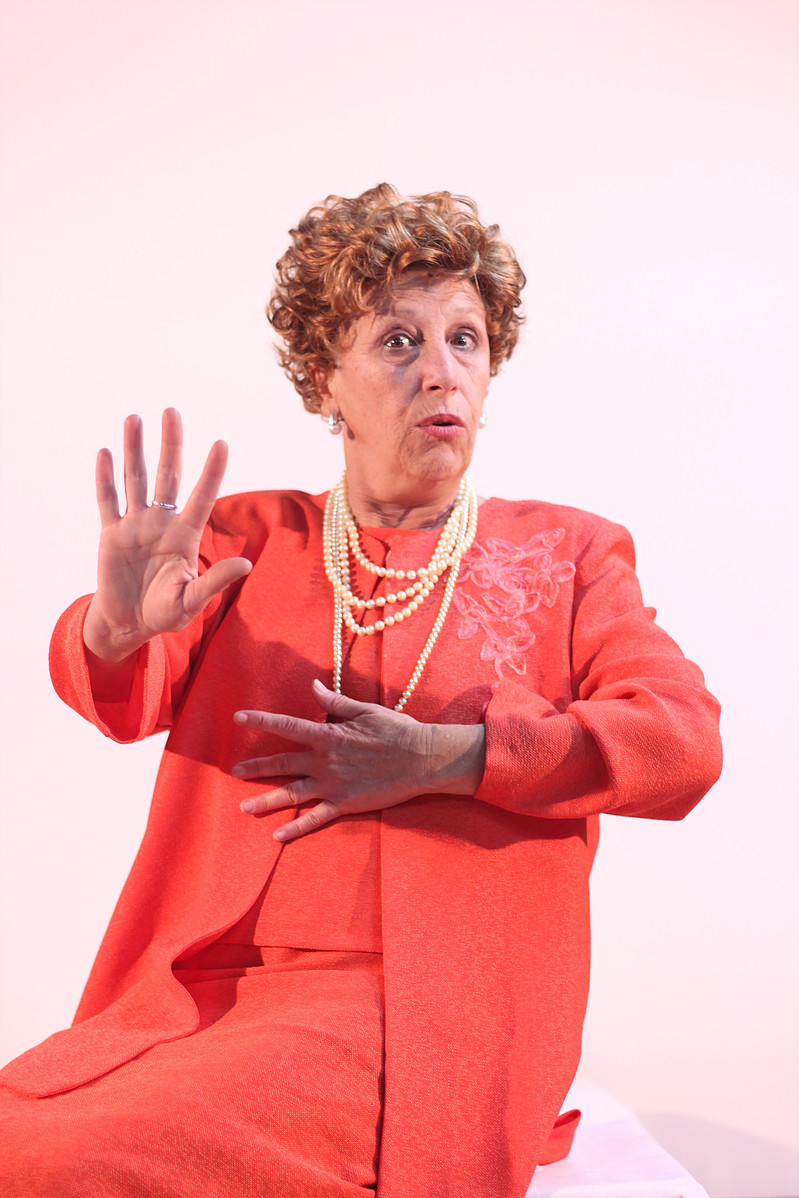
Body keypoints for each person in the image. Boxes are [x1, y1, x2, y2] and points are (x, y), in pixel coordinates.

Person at [0, 184, 722, 1198]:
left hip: (415, 1011)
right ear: (322, 380)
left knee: (62, 1161)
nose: (440, 370)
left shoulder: (568, 553)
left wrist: (455, 759)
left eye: (465, 340)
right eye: (397, 342)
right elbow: (126, 692)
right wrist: (115, 630)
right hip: (194, 986)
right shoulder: (247, 537)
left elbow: (682, 741)